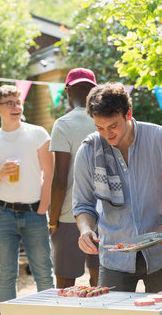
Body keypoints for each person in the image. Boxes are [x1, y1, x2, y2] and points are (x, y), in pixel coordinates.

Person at [72, 82, 162, 293]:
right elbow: (83, 204)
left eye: (113, 126)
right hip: (114, 257)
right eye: (99, 127)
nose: (106, 135)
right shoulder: (89, 149)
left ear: (128, 114)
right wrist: (86, 230)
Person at [0, 85, 54, 304]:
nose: (15, 107)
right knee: (6, 275)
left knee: (43, 273)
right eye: (9, 103)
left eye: (18, 102)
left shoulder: (38, 133)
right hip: (3, 214)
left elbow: (49, 175)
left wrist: (42, 210)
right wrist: (0, 173)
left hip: (34, 213)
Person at [49, 68, 99, 288]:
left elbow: (60, 179)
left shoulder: (63, 124)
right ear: (95, 91)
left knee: (65, 286)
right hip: (107, 215)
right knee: (102, 283)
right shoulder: (108, 120)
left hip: (71, 214)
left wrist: (53, 219)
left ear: (67, 91)